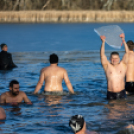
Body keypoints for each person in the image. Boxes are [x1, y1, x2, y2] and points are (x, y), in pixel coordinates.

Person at [100, 33, 128, 100]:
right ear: (110, 58)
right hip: (110, 93)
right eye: (113, 58)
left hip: (121, 92)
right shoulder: (107, 66)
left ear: (119, 58)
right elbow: (102, 55)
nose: (114, 60)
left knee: (123, 109)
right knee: (111, 110)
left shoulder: (123, 65)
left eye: (116, 58)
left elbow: (127, 53)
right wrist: (103, 42)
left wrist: (123, 39)